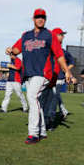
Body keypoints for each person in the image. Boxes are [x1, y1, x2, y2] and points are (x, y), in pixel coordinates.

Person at [6, 8, 72, 144]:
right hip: (29, 74)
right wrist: (10, 50)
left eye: (43, 17)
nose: (40, 19)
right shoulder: (26, 35)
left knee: (31, 96)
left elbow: (59, 55)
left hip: (43, 73)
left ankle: (33, 133)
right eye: (38, 17)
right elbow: (16, 50)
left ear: (45, 19)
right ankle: (42, 131)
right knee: (36, 102)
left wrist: (66, 70)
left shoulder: (49, 35)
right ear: (33, 19)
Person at [49, 28, 74, 119]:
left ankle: (50, 118)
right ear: (55, 36)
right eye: (61, 34)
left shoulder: (64, 52)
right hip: (48, 77)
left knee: (54, 97)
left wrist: (66, 69)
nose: (63, 36)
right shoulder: (48, 49)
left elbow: (71, 63)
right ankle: (63, 110)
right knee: (55, 95)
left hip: (59, 77)